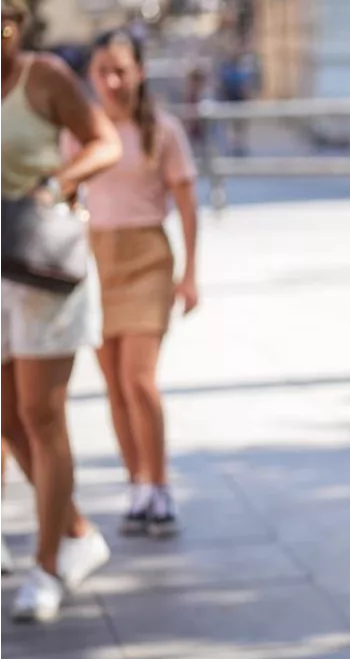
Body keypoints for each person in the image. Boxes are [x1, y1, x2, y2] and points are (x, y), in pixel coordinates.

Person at [0, 0, 122, 623]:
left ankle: (46, 568)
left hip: (41, 262)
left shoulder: (43, 76)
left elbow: (106, 143)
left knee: (41, 415)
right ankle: (76, 531)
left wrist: (58, 182)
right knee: (8, 418)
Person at [64, 28, 201, 539]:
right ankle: (136, 484)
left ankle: (160, 484)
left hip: (146, 256)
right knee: (114, 385)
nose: (113, 80)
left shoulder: (162, 130)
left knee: (139, 379)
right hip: (94, 260)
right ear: (90, 77)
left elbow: (186, 204)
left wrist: (190, 273)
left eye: (121, 69)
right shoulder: (81, 131)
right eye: (102, 71)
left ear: (139, 71)